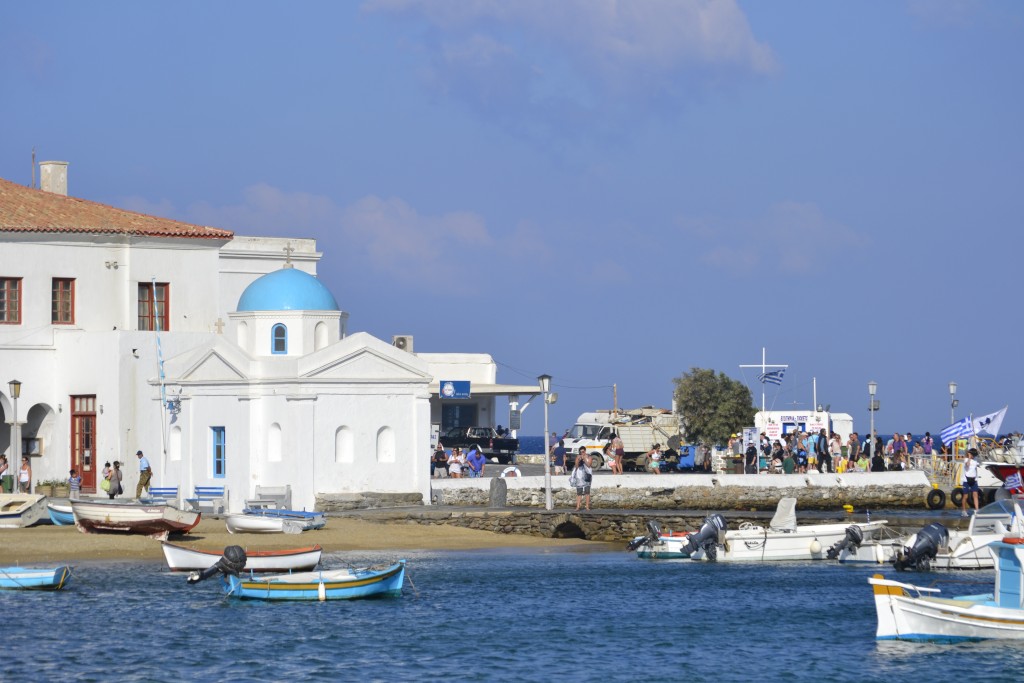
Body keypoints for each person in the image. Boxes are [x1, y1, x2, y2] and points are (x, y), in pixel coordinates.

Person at [961, 448, 981, 517]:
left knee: (975, 495)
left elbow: (979, 464)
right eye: (973, 455)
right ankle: (963, 511)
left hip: (974, 479)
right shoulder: (966, 459)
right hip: (966, 480)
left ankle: (977, 510)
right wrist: (969, 457)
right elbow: (967, 465)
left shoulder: (975, 460)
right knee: (965, 496)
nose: (974, 457)